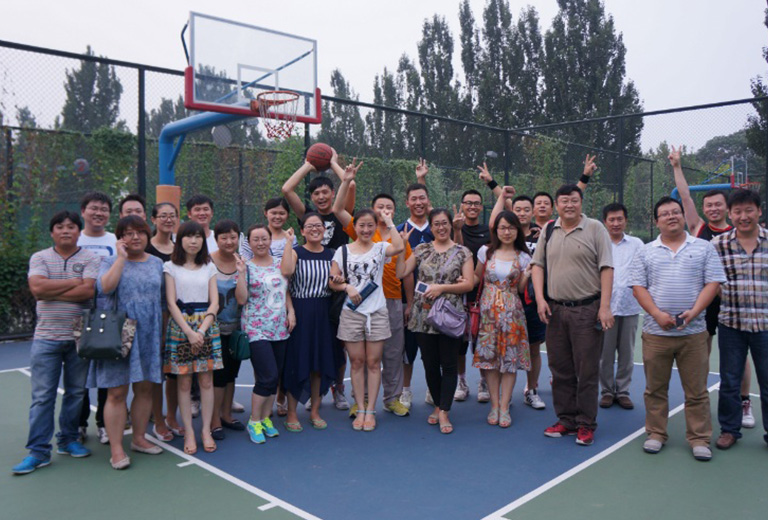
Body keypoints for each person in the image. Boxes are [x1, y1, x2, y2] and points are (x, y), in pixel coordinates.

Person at [629, 196, 725, 461]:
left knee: (697, 390)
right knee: (655, 389)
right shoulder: (646, 251)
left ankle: (699, 438)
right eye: (665, 214)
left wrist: (694, 312)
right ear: (656, 221)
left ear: (683, 216)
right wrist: (657, 314)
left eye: (675, 212)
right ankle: (656, 433)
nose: (671, 216)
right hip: (655, 333)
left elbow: (713, 283)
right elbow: (638, 287)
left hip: (693, 334)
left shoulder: (703, 247)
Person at [670, 145, 754, 427]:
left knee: (738, 357)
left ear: (727, 208)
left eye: (718, 205)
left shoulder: (739, 231)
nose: (713, 209)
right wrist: (677, 166)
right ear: (704, 209)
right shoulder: (698, 228)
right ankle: (699, 399)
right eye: (709, 205)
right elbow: (684, 195)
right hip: (704, 302)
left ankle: (744, 402)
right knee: (700, 354)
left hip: (734, 302)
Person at [12, 211, 100, 475]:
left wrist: (53, 288)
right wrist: (73, 282)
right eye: (60, 227)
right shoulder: (39, 257)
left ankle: (68, 440)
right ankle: (38, 452)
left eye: (71, 227)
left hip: (79, 338)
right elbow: (38, 290)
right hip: (46, 338)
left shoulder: (90, 258)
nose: (65, 231)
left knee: (76, 393)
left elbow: (88, 291)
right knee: (43, 397)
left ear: (78, 232)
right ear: (52, 232)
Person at [531, 184, 614, 447]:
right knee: (560, 369)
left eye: (574, 200)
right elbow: (537, 266)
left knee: (586, 370)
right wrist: (541, 299)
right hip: (555, 311)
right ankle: (566, 420)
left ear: (581, 202)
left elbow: (607, 268)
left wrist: (604, 306)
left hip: (587, 310)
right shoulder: (549, 229)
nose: (569, 205)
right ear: (556, 205)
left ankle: (586, 423)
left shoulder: (595, 228)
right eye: (564, 201)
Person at [88, 216, 164, 469]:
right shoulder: (109, 261)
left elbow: (162, 301)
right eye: (128, 233)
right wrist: (121, 258)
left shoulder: (156, 263)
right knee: (117, 392)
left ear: (147, 234)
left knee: (145, 389)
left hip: (149, 332)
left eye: (140, 232)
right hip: (119, 331)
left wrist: (162, 333)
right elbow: (105, 288)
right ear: (120, 237)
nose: (135, 237)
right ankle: (117, 448)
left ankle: (139, 438)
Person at [334, 174, 412, 419]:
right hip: (360, 303)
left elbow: (405, 272)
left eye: (389, 207)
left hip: (390, 301)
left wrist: (409, 302)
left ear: (394, 212)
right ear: (371, 211)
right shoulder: (363, 231)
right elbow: (338, 209)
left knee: (392, 353)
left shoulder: (398, 238)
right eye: (380, 206)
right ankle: (363, 401)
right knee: (363, 358)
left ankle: (392, 399)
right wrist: (346, 180)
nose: (385, 210)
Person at [282, 153, 354, 409]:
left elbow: (350, 184)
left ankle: (338, 388)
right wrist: (308, 165)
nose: (321, 196)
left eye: (326, 192)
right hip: (308, 286)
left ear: (333, 193)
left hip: (336, 284)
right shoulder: (308, 216)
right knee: (305, 347)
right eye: (316, 193)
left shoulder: (341, 212)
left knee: (337, 345)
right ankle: (300, 393)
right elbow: (287, 189)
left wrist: (333, 162)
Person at [401, 208, 474, 434]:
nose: (441, 228)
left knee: (449, 364)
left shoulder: (463, 252)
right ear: (431, 227)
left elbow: (468, 283)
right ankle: (439, 405)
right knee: (430, 364)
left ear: (451, 225)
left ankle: (444, 410)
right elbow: (401, 272)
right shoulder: (421, 249)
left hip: (450, 315)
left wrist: (441, 288)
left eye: (444, 223)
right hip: (423, 315)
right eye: (436, 224)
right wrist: (401, 247)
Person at [710, 189, 768, 450]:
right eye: (738, 212)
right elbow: (710, 280)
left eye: (749, 211)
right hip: (731, 324)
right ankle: (730, 430)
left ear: (759, 211)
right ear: (730, 214)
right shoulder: (718, 245)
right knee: (730, 381)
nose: (743, 216)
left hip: (765, 325)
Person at [164, 221, 223, 455]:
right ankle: (189, 431)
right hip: (181, 327)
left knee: (206, 381)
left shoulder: (209, 266)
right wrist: (189, 332)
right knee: (184, 383)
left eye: (198, 236)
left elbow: (214, 302)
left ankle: (205, 430)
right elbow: (171, 303)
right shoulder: (170, 267)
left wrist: (201, 330)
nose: (194, 241)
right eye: (188, 236)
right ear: (180, 240)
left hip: (206, 326)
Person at [473, 205, 532, 428]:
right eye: (502, 228)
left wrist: (527, 274)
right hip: (488, 313)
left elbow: (521, 289)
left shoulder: (524, 257)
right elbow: (476, 277)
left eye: (511, 228)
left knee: (509, 361)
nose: (507, 232)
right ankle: (494, 405)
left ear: (517, 230)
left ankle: (505, 406)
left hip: (512, 314)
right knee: (490, 361)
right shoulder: (485, 252)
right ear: (495, 230)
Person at [236, 225, 296, 443]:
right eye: (256, 239)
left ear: (271, 240)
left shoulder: (280, 263)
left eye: (264, 238)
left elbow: (285, 287)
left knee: (275, 377)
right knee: (267, 376)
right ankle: (254, 421)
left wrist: (291, 311)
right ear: (249, 243)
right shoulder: (246, 266)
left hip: (279, 327)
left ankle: (264, 419)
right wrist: (241, 273)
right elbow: (241, 299)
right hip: (256, 328)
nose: (260, 243)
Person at [280, 213, 338, 432]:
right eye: (309, 226)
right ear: (302, 231)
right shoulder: (296, 252)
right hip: (300, 312)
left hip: (324, 313)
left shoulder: (332, 254)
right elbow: (286, 273)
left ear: (325, 229)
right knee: (297, 362)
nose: (315, 229)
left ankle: (314, 410)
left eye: (319, 225)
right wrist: (288, 242)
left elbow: (336, 282)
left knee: (319, 364)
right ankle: (292, 412)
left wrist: (341, 281)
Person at [77, 192, 116, 445]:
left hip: (107, 315)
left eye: (104, 209)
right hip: (78, 314)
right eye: (94, 208)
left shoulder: (114, 240)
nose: (98, 213)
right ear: (83, 211)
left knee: (105, 373)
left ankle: (103, 423)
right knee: (78, 374)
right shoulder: (75, 238)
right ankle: (79, 424)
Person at [397, 162, 435, 409]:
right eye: (414, 199)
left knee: (433, 349)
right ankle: (406, 390)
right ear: (407, 203)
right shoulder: (400, 231)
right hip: (408, 301)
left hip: (437, 299)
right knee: (408, 349)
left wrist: (421, 179)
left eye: (422, 198)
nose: (418, 202)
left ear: (428, 201)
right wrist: (409, 303)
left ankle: (433, 388)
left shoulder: (438, 228)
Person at [452, 178, 494, 403]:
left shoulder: (488, 231)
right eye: (468, 203)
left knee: (481, 342)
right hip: (459, 293)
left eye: (476, 203)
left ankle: (484, 381)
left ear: (481, 207)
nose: (472, 206)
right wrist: (457, 230)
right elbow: (458, 253)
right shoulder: (453, 227)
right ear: (462, 205)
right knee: (460, 343)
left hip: (483, 295)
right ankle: (461, 381)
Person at [599, 203, 643, 410]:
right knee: (605, 354)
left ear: (626, 220)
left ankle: (623, 391)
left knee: (627, 353)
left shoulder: (637, 244)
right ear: (605, 222)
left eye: (619, 219)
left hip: (630, 307)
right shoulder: (599, 244)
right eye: (611, 219)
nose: (616, 223)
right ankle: (607, 391)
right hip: (605, 308)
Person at [146, 202, 182, 440]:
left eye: (172, 216)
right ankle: (158, 420)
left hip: (179, 317)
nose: (168, 220)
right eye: (163, 216)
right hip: (154, 317)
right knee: (156, 374)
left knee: (175, 373)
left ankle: (171, 417)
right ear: (153, 219)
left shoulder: (180, 248)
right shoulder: (146, 248)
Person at [210, 220, 246, 440]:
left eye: (233, 237)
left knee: (232, 373)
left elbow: (243, 297)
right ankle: (214, 419)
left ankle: (226, 414)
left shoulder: (242, 262)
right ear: (216, 240)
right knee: (218, 376)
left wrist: (242, 272)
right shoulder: (207, 262)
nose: (229, 241)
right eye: (224, 237)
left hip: (236, 329)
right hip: (213, 329)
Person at [511, 194, 547, 410]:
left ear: (533, 212)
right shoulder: (507, 235)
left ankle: (531, 390)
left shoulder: (542, 235)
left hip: (533, 301)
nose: (522, 213)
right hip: (509, 301)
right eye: (518, 209)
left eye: (526, 209)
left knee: (534, 348)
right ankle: (504, 394)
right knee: (507, 348)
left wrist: (546, 239)